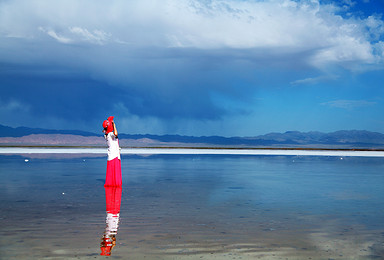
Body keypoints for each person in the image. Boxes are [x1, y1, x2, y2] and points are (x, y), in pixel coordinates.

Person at [102, 116, 122, 187]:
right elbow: (116, 134)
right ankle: (115, 184)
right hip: (114, 154)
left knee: (111, 170)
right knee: (115, 170)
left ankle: (112, 183)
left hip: (111, 153)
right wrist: (114, 125)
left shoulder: (106, 135)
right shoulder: (110, 134)